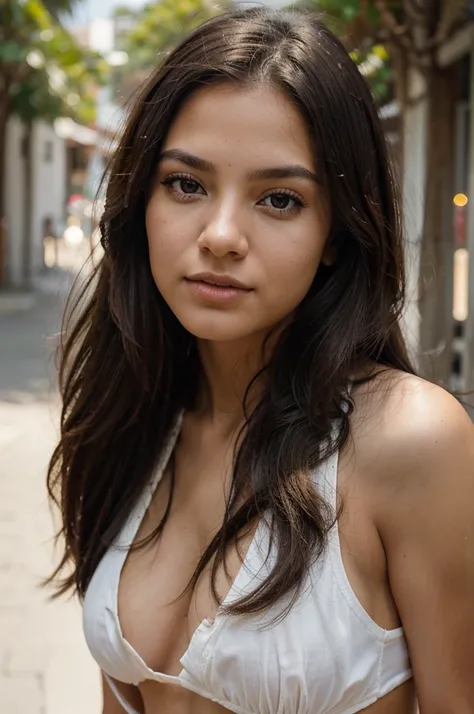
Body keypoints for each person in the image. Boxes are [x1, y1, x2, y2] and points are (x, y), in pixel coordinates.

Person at [47, 7, 474, 714]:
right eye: (186, 184)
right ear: (140, 199)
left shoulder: (409, 441)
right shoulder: (128, 422)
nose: (220, 235)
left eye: (280, 199)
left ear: (337, 231)